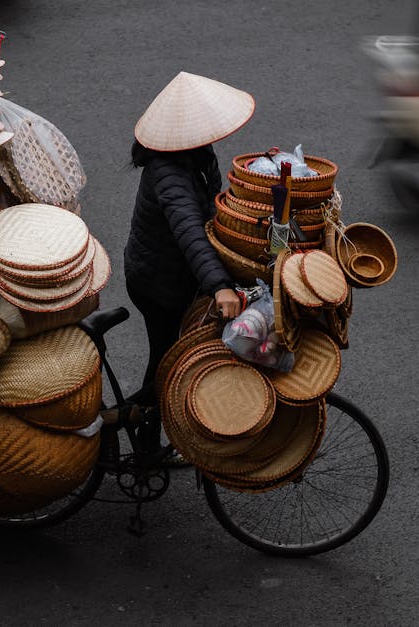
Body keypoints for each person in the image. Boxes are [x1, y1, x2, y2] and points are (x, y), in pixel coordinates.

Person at [123, 71, 254, 408]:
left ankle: (149, 438)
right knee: (168, 364)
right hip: (157, 283)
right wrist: (219, 286)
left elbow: (210, 207)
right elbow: (190, 232)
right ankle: (125, 425)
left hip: (175, 273)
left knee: (171, 358)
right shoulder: (167, 172)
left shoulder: (195, 152)